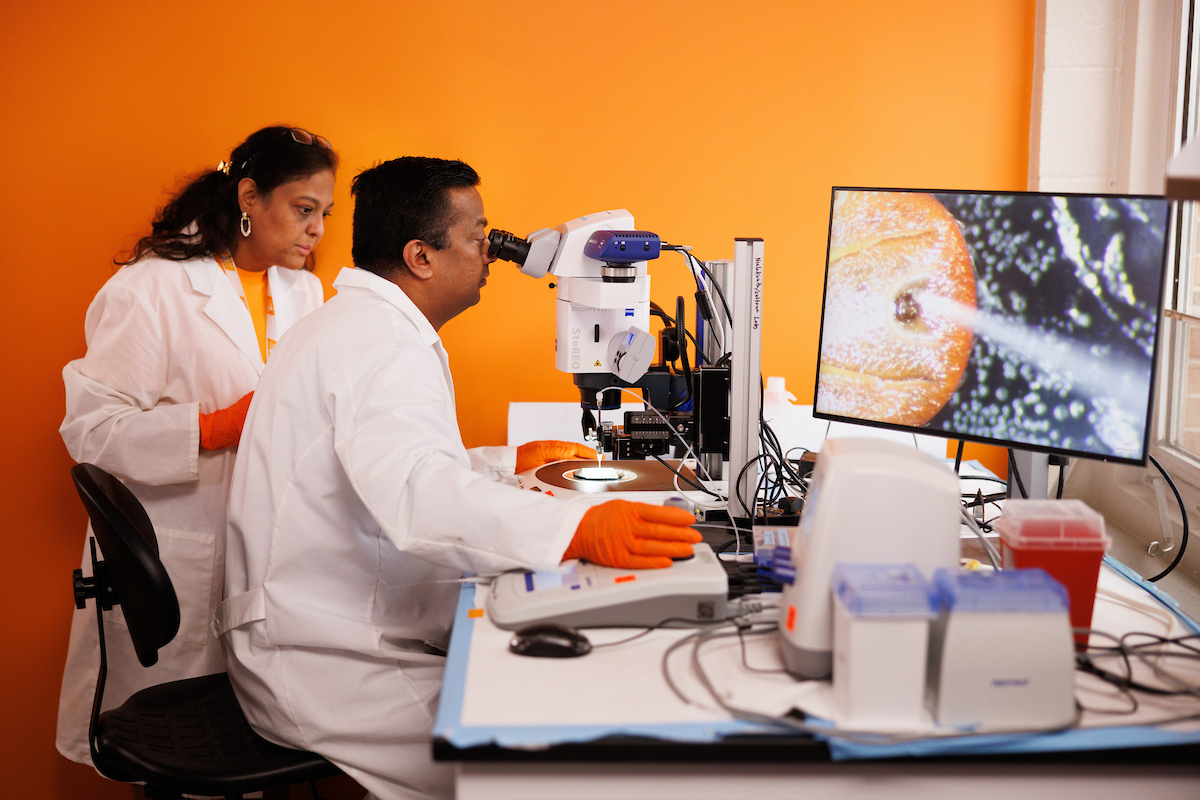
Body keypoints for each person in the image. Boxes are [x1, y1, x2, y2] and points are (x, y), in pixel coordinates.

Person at [218, 156, 701, 800]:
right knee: (539, 767)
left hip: (325, 622)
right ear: (420, 256)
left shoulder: (360, 325)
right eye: (478, 237)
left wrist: (506, 463)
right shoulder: (381, 346)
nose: (490, 254)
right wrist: (573, 527)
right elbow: (416, 494)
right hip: (321, 661)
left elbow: (384, 464)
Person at [56, 126, 338, 767]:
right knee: (183, 744)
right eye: (303, 209)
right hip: (182, 549)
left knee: (255, 736)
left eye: (324, 213)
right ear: (248, 197)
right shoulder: (151, 289)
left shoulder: (307, 293)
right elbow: (91, 430)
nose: (317, 228)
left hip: (273, 547)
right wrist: (212, 429)